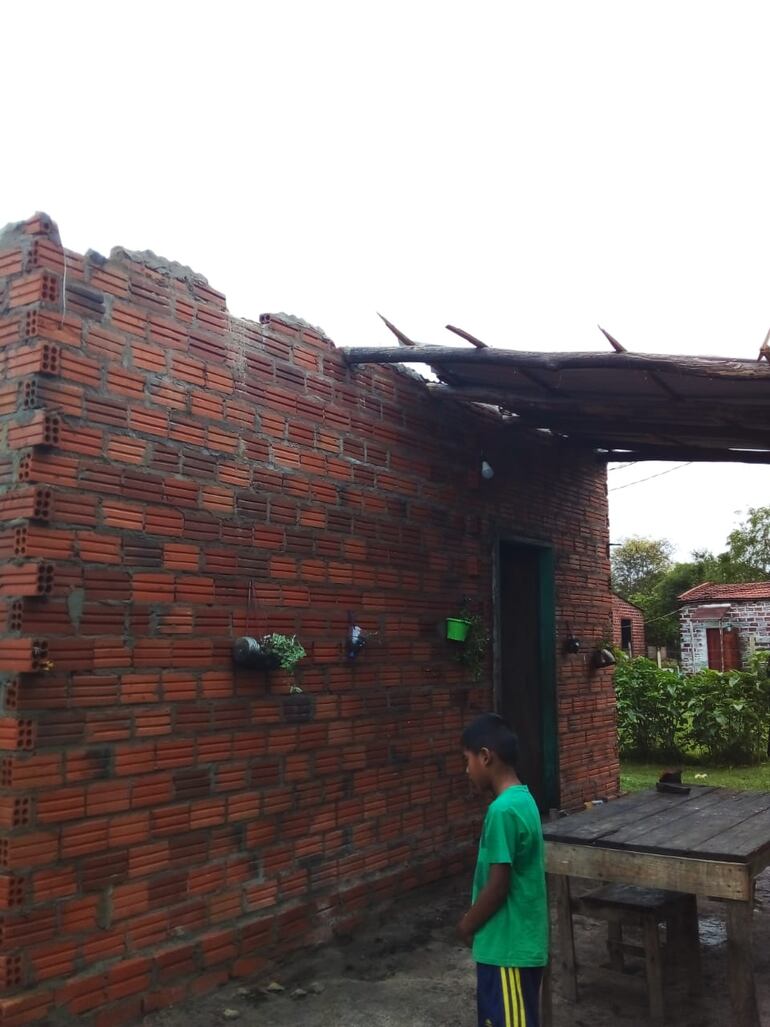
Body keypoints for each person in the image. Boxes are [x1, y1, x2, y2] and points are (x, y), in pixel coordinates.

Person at [457, 713, 548, 1027]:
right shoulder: (524, 800)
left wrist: (467, 925)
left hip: (507, 949)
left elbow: (498, 887)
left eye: (467, 760)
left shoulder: (502, 811)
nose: (466, 770)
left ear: (485, 757)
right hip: (518, 944)